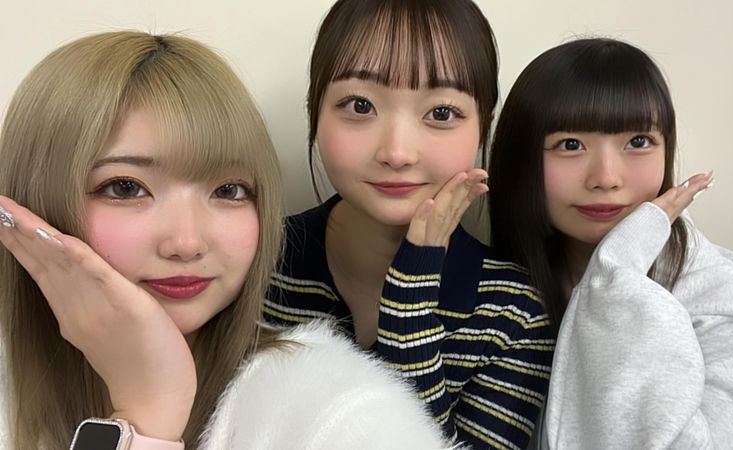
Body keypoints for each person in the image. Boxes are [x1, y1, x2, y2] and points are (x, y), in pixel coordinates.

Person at [0, 31, 451, 449]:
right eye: (125, 187)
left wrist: (147, 418)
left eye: (228, 190)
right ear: (33, 197)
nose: (187, 243)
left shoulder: (340, 411)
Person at [263, 1, 553, 448]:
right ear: (314, 112)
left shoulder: (513, 315)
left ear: (484, 127)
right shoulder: (257, 264)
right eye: (360, 105)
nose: (397, 153)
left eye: (441, 113)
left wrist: (410, 298)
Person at [488, 37, 733, 449]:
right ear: (522, 159)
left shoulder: (730, 313)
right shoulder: (502, 292)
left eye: (638, 142)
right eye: (570, 145)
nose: (606, 177)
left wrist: (616, 272)